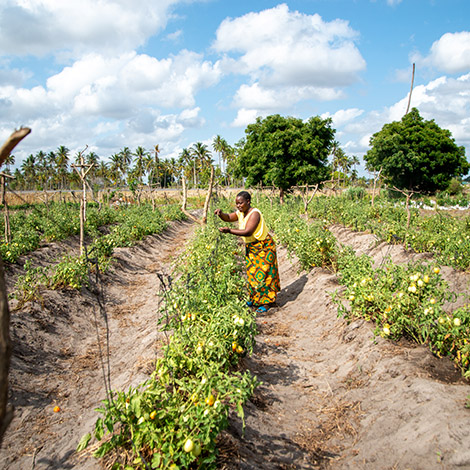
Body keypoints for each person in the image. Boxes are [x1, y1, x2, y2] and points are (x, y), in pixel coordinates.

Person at [214, 191, 280, 313]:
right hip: (252, 247)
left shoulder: (254, 214)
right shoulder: (240, 213)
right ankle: (255, 298)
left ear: (248, 202)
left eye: (240, 203)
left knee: (265, 275)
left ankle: (267, 302)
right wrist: (221, 214)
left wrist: (229, 231)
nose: (238, 206)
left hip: (264, 247)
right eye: (236, 204)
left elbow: (248, 231)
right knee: (252, 274)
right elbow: (228, 217)